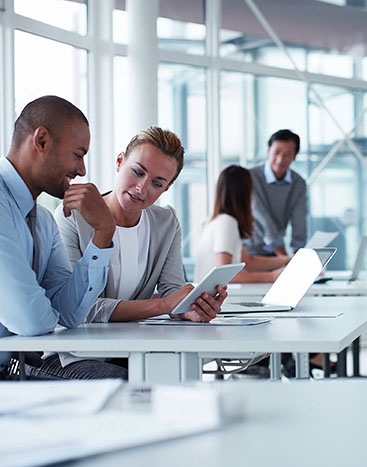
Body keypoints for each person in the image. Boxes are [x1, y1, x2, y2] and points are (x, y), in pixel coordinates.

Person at [0, 95, 131, 381]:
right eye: (78, 154)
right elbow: (31, 320)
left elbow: (69, 313)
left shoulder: (43, 221)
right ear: (42, 141)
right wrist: (48, 310)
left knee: (123, 384)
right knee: (116, 387)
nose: (82, 170)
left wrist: (104, 233)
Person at [28, 127, 227, 379]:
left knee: (179, 377)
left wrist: (191, 307)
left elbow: (172, 291)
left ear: (167, 188)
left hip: (128, 351)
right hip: (71, 355)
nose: (142, 188)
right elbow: (80, 308)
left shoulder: (165, 222)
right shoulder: (73, 217)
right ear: (120, 162)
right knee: (136, 384)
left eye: (157, 183)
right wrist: (163, 305)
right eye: (137, 172)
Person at [195, 165, 290, 283]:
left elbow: (248, 260)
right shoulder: (226, 222)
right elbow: (223, 274)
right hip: (215, 298)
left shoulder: (216, 221)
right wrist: (272, 276)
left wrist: (287, 260)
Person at [244, 129, 307, 257]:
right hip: (248, 251)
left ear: (294, 157)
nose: (280, 160)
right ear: (268, 151)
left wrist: (299, 253)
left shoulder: (298, 183)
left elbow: (299, 219)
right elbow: (261, 215)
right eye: (276, 152)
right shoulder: (250, 177)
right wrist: (283, 254)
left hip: (275, 252)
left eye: (287, 154)